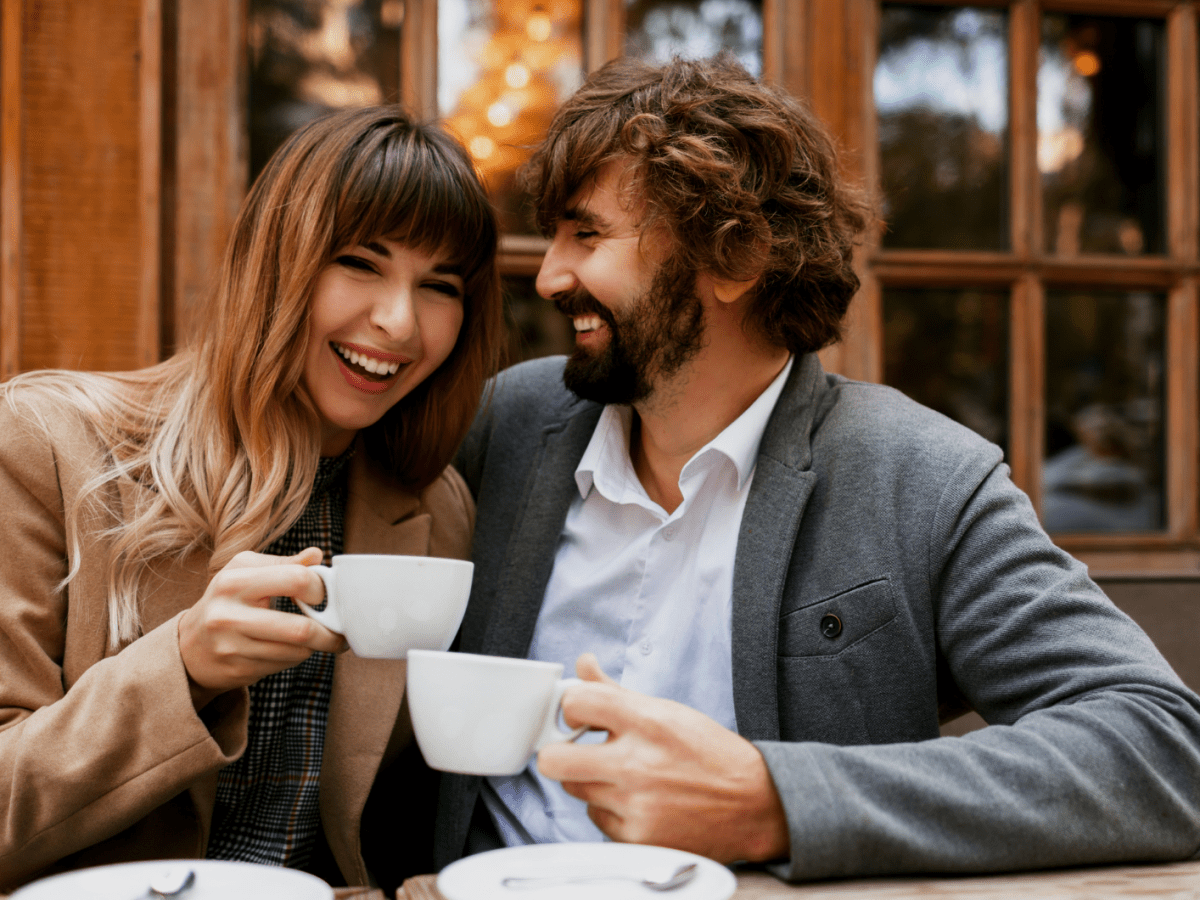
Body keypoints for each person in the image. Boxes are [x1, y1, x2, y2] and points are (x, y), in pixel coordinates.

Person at [440, 54, 1200, 880]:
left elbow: (1163, 747)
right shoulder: (505, 424)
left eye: (586, 235)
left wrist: (776, 801)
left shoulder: (921, 480)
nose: (549, 275)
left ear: (736, 256)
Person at [0, 106, 503, 892]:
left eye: (439, 286)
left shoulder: (436, 511)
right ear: (275, 262)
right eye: (360, 263)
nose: (400, 323)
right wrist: (182, 670)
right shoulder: (46, 445)